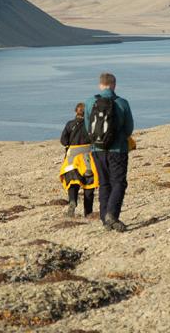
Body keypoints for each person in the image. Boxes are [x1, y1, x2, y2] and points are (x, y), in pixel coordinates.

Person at [84, 72, 134, 232]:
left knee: (104, 183)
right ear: (114, 85)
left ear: (100, 85)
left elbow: (87, 127)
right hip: (117, 149)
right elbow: (129, 128)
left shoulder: (90, 102)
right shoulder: (122, 103)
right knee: (119, 182)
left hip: (97, 150)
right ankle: (111, 214)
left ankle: (105, 219)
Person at [59, 103, 96, 217]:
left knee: (73, 182)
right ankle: (88, 212)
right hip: (87, 158)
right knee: (88, 184)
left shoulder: (70, 124)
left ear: (76, 111)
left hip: (72, 159)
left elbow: (63, 141)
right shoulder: (91, 125)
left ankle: (72, 201)